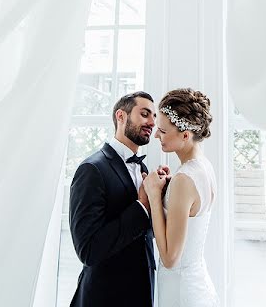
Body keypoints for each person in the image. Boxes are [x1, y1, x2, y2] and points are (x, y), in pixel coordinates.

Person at [69, 91, 168, 307]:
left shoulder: (143, 168)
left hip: (141, 293)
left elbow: (143, 234)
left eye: (154, 116)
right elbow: (88, 250)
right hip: (104, 297)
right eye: (145, 114)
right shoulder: (91, 169)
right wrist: (141, 205)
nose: (152, 122)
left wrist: (159, 197)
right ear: (121, 116)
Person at [142, 88, 219, 307]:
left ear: (185, 135)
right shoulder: (204, 168)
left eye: (163, 131)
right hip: (197, 283)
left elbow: (170, 259)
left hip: (180, 292)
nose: (156, 135)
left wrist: (155, 196)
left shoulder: (184, 179)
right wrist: (169, 189)